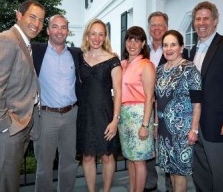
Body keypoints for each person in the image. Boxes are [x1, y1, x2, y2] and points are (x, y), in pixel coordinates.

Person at [0, 0, 45, 192]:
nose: (36, 24)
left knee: (10, 182)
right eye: (32, 17)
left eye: (40, 20)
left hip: (20, 125)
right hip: (8, 129)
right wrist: (5, 125)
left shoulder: (23, 43)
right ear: (19, 15)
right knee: (5, 185)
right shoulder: (5, 40)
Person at [183, 1, 223, 192]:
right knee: (201, 171)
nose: (201, 22)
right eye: (197, 19)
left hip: (220, 124)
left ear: (215, 21)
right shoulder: (193, 51)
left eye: (206, 18)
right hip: (196, 124)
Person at [31, 15, 81, 192]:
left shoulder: (76, 54)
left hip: (71, 115)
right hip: (46, 116)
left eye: (63, 27)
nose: (59, 31)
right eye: (55, 27)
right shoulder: (36, 51)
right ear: (47, 30)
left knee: (69, 161)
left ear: (68, 31)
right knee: (44, 164)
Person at [76, 19, 122, 192]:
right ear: (87, 35)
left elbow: (118, 92)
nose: (96, 38)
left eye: (100, 34)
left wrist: (115, 120)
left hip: (105, 114)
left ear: (105, 37)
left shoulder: (113, 60)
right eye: (93, 33)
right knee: (87, 157)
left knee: (108, 156)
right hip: (85, 115)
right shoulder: (79, 57)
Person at [155, 30, 202, 191]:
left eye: (173, 45)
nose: (168, 49)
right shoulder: (160, 70)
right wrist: (155, 125)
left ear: (181, 47)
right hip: (163, 130)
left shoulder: (190, 69)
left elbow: (197, 103)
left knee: (180, 173)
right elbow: (157, 100)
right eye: (165, 45)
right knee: (171, 172)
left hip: (182, 130)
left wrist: (194, 129)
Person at [118, 26, 155, 192]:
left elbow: (150, 97)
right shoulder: (122, 64)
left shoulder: (146, 65)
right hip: (124, 117)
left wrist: (145, 125)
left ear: (143, 43)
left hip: (140, 116)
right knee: (130, 159)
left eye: (137, 40)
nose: (132, 43)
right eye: (129, 39)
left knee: (139, 161)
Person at [146, 11, 170, 192]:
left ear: (166, 27)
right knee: (147, 144)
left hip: (168, 107)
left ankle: (171, 185)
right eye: (153, 25)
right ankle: (150, 182)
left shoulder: (173, 49)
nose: (156, 28)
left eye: (160, 25)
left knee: (169, 144)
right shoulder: (142, 50)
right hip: (147, 106)